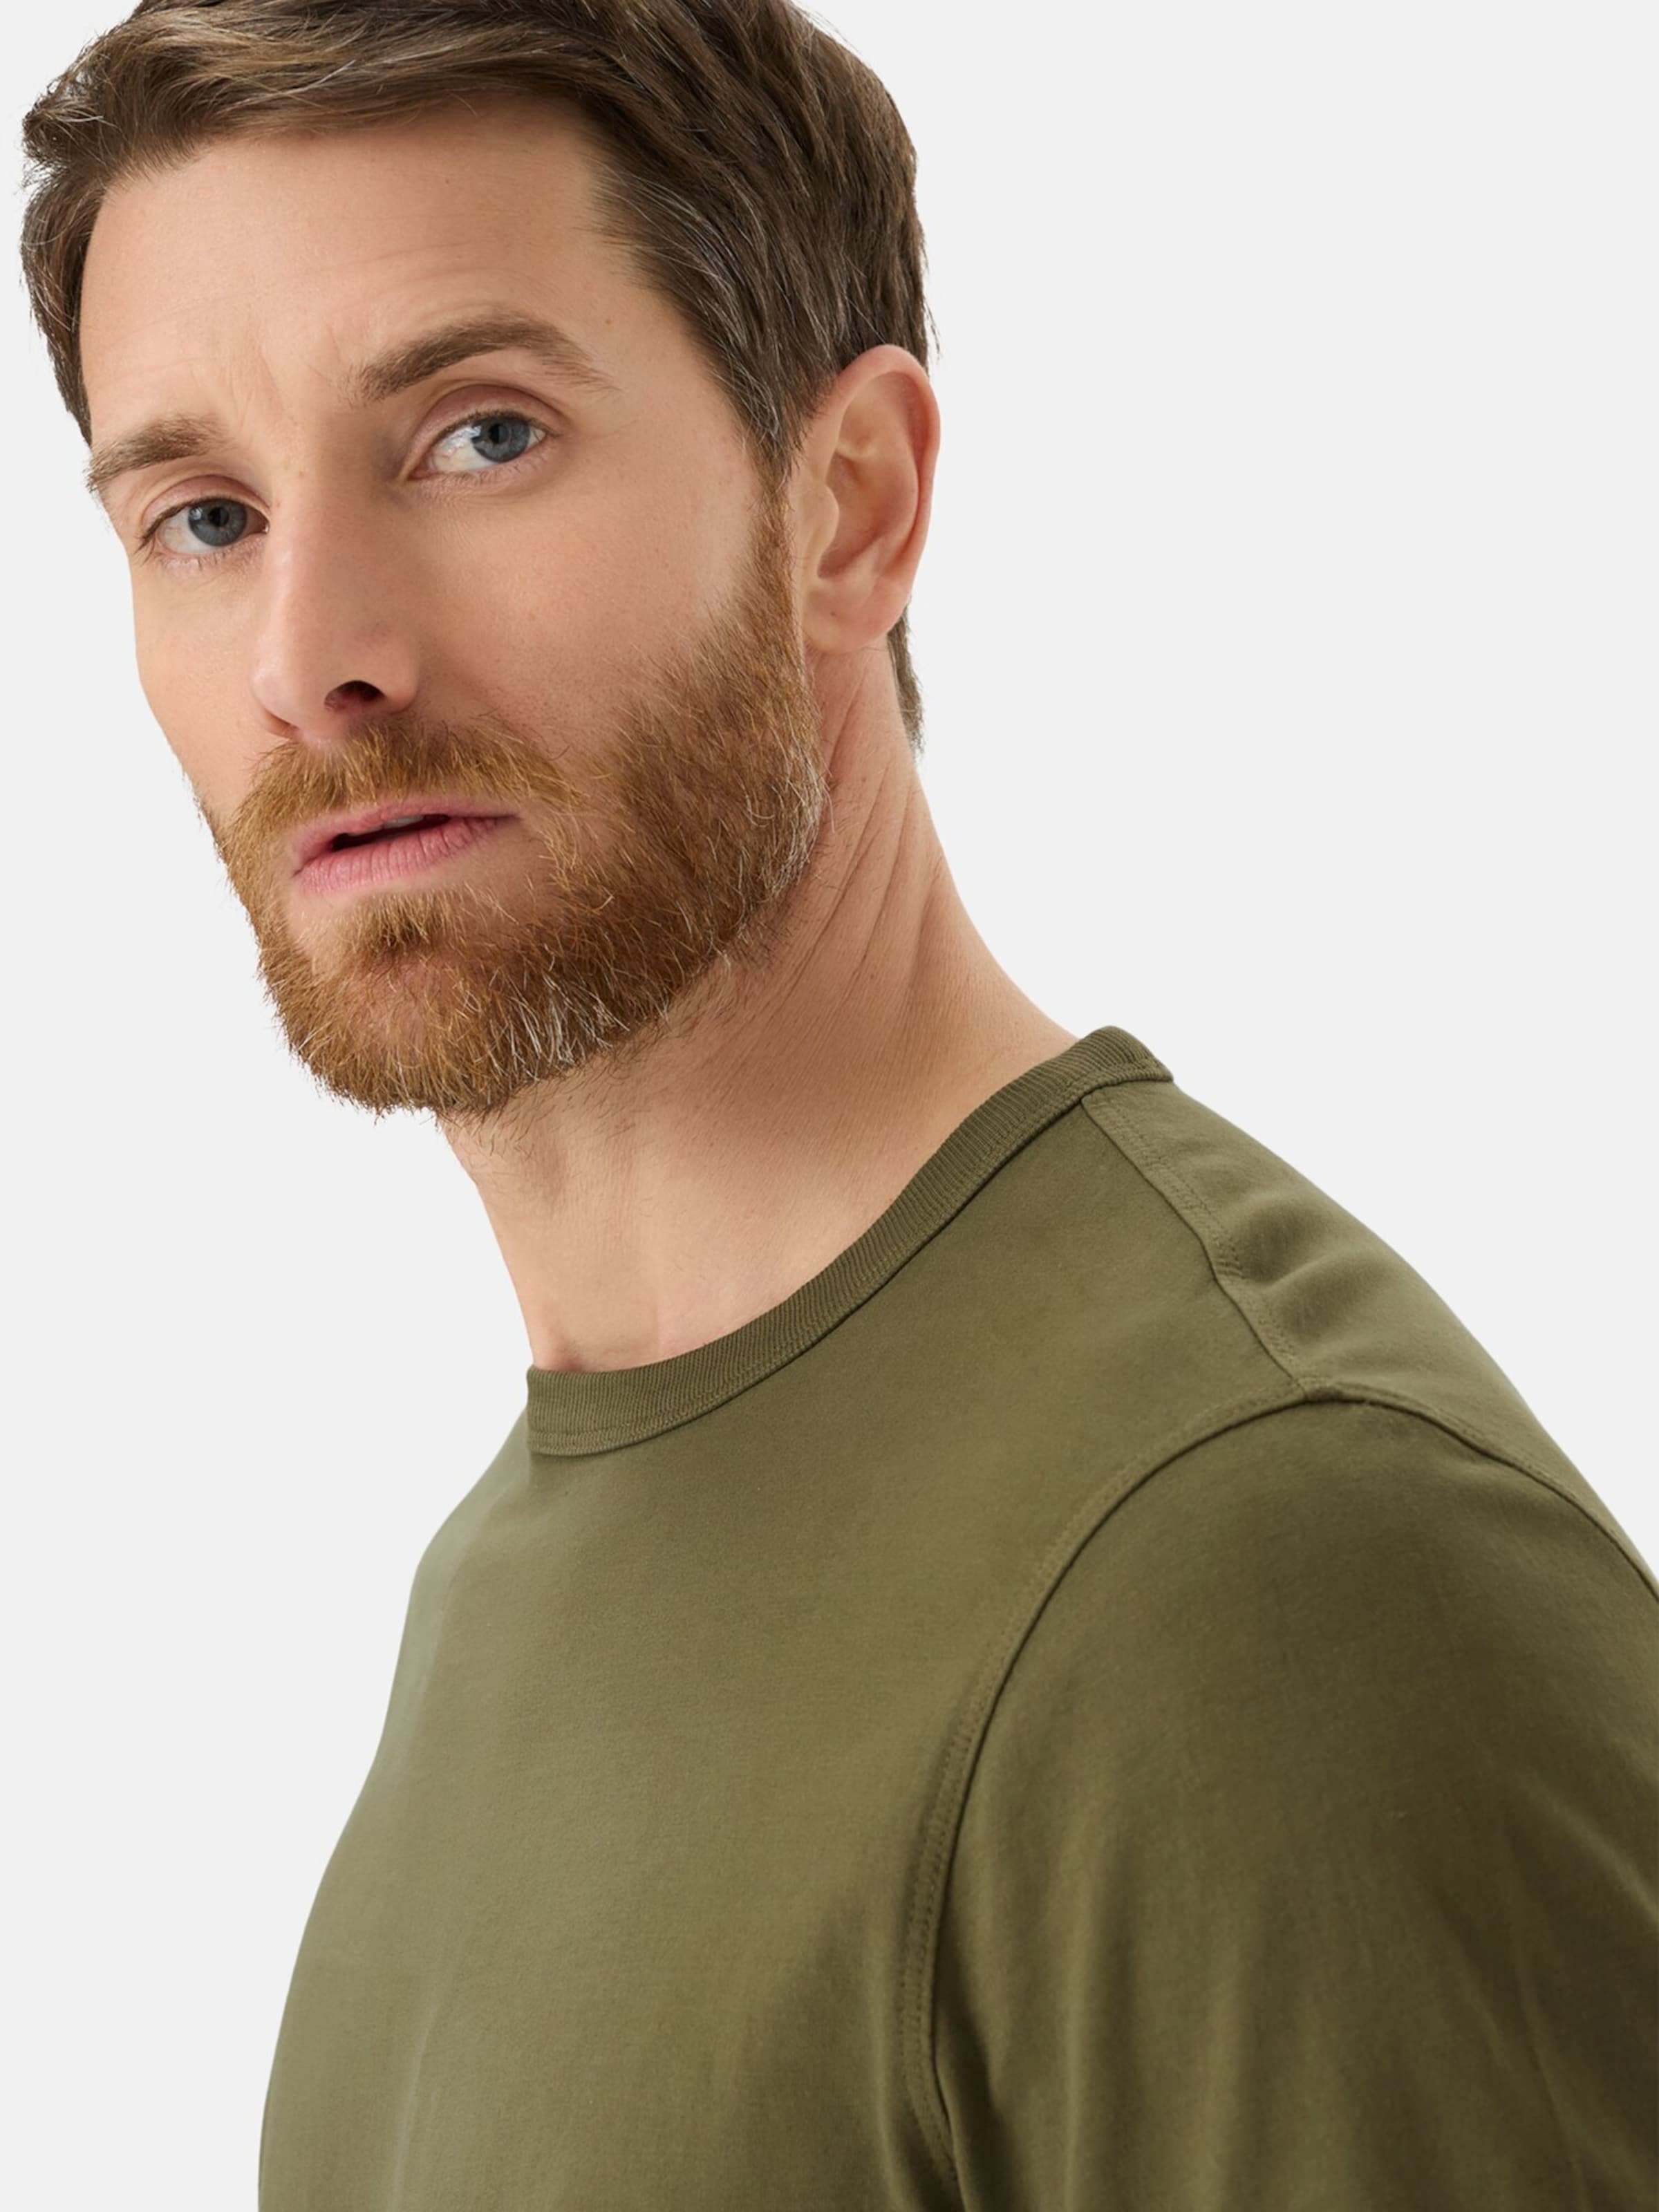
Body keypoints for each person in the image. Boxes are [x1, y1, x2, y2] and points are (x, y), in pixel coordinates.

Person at [21, 3, 1656, 2206]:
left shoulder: (1262, 1581)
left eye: (480, 436)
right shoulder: (525, 1557)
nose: (309, 655)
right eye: (203, 516)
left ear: (850, 507)